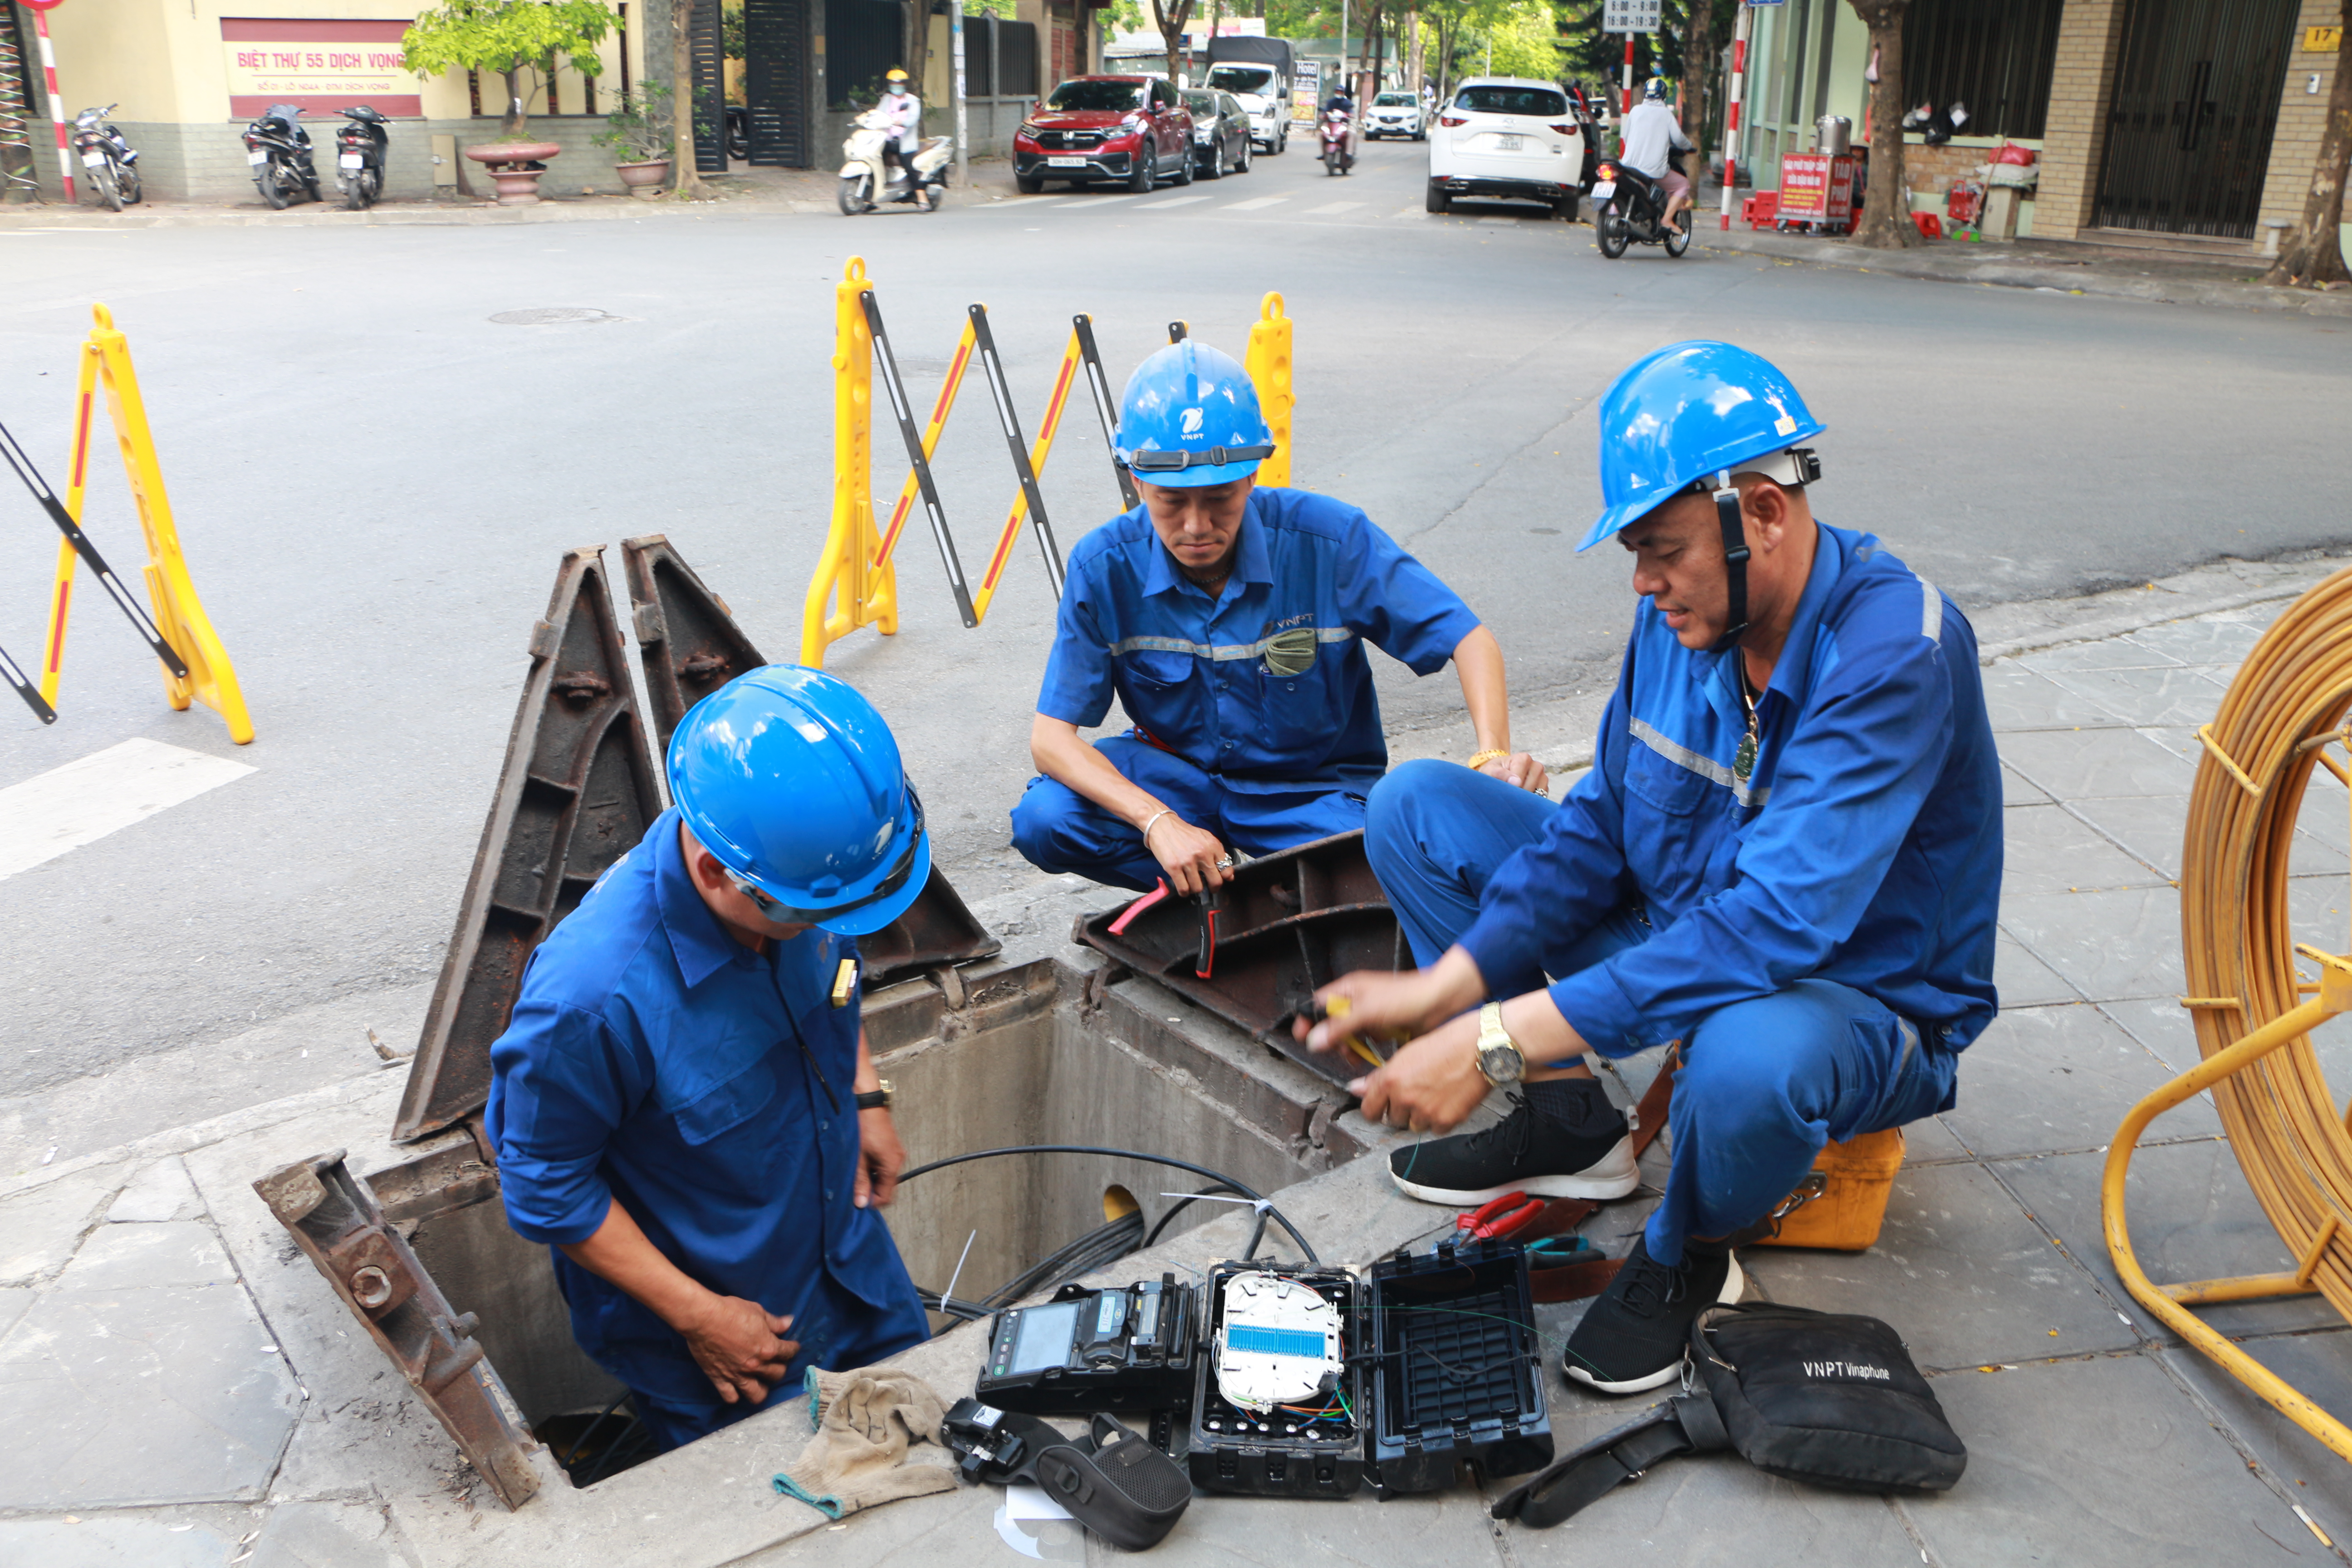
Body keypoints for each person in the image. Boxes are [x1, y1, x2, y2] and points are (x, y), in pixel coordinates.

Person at [1302, 340, 2001, 1397]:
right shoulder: (1679, 616)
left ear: (1762, 511)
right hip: (1685, 917)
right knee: (1415, 809)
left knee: (1745, 1057)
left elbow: (1768, 929)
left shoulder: (1893, 651)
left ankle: (1689, 1247)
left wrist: (1488, 1036)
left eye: (1662, 549)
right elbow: (1598, 825)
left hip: (1852, 994)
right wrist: (1449, 982)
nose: (1642, 581)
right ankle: (1573, 1121)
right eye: (1635, 550)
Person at [486, 666, 933, 1452]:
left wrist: (866, 1094)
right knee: (784, 1505)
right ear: (714, 876)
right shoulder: (590, 1002)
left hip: (849, 1253)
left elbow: (835, 963)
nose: (837, 922)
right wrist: (699, 1317)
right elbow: (543, 1186)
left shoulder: (804, 879)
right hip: (732, 1326)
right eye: (820, 911)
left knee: (916, 1436)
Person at [1010, 338, 1548, 897]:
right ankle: (1219, 895)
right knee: (1045, 819)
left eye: (1219, 498)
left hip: (1310, 794)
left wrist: (1493, 755)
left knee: (1413, 869)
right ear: (1137, 479)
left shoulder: (1331, 540)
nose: (1196, 526)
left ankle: (1272, 896)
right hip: (1177, 782)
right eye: (1172, 500)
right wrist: (1157, 822)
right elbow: (1051, 738)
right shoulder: (1102, 567)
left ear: (1251, 476)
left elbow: (1467, 638)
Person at [1620, 76, 1694, 229]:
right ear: (1664, 95)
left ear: (1645, 93)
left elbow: (1626, 137)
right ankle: (1667, 220)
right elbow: (1679, 139)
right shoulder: (1666, 114)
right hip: (1653, 170)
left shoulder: (1635, 110)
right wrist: (1689, 147)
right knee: (1683, 185)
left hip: (1629, 166)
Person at [877, 66, 921, 193]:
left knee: (909, 168)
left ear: (904, 84)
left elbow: (913, 119)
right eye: (893, 83)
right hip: (888, 139)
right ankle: (871, 199)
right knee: (876, 163)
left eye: (898, 83)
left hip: (904, 141)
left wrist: (901, 122)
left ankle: (922, 198)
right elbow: (878, 113)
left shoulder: (912, 100)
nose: (895, 86)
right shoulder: (887, 98)